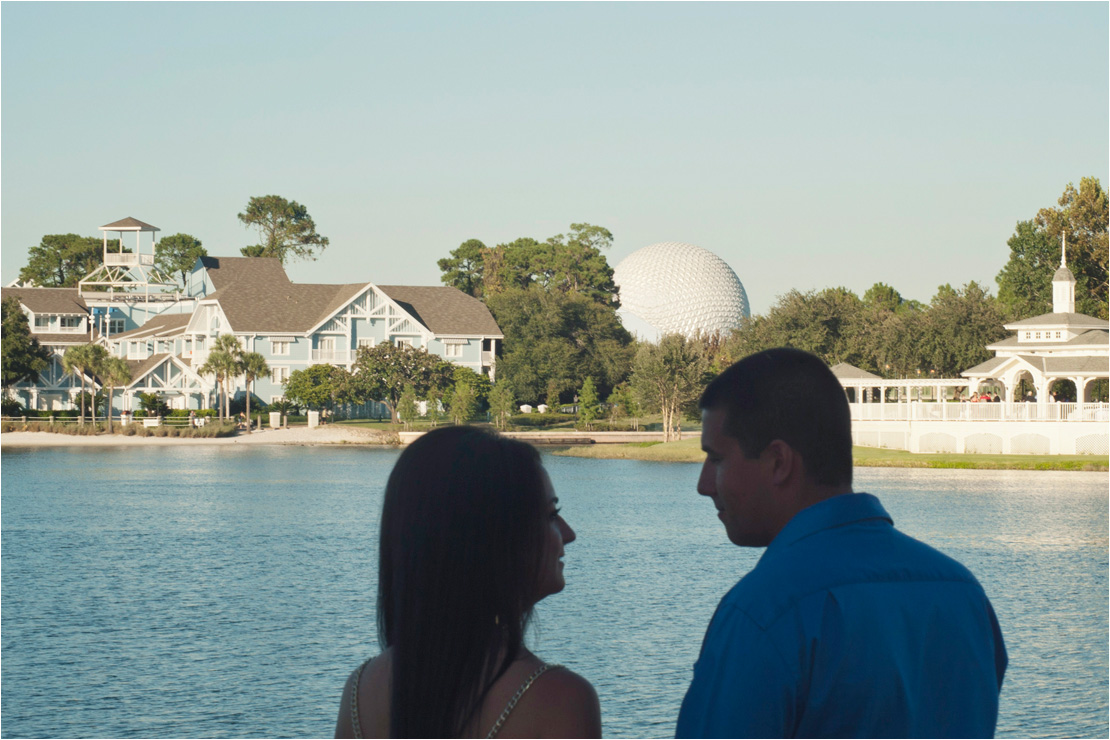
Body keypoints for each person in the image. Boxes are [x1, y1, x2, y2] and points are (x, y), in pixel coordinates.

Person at [677, 348, 1007, 738]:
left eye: (716, 459)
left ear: (778, 462)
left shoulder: (764, 610)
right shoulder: (962, 592)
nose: (702, 486)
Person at [335, 426, 601, 738]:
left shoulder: (361, 688)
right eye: (551, 515)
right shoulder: (560, 697)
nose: (569, 535)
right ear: (492, 537)